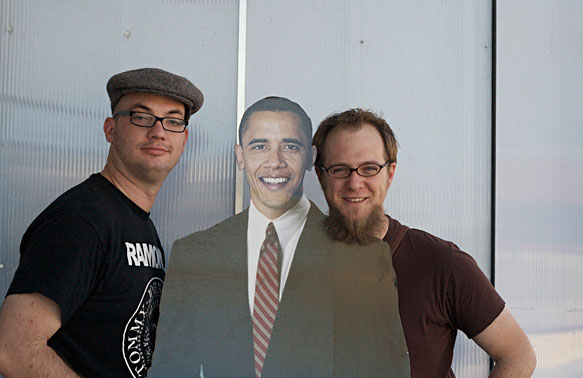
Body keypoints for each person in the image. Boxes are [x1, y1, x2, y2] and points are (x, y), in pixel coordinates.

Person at [149, 97, 410, 378]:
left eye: (290, 147)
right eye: (260, 146)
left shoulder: (364, 258)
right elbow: (171, 370)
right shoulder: (194, 255)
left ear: (310, 158)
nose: (275, 162)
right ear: (240, 156)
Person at [0, 67, 203, 378]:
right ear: (111, 129)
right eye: (141, 116)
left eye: (173, 121)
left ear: (184, 139)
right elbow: (13, 351)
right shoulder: (81, 221)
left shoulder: (135, 221)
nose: (159, 132)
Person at [312, 108, 537, 378]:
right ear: (320, 175)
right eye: (339, 169)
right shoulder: (289, 266)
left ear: (390, 173)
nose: (355, 182)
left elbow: (518, 355)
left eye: (369, 168)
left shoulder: (441, 263)